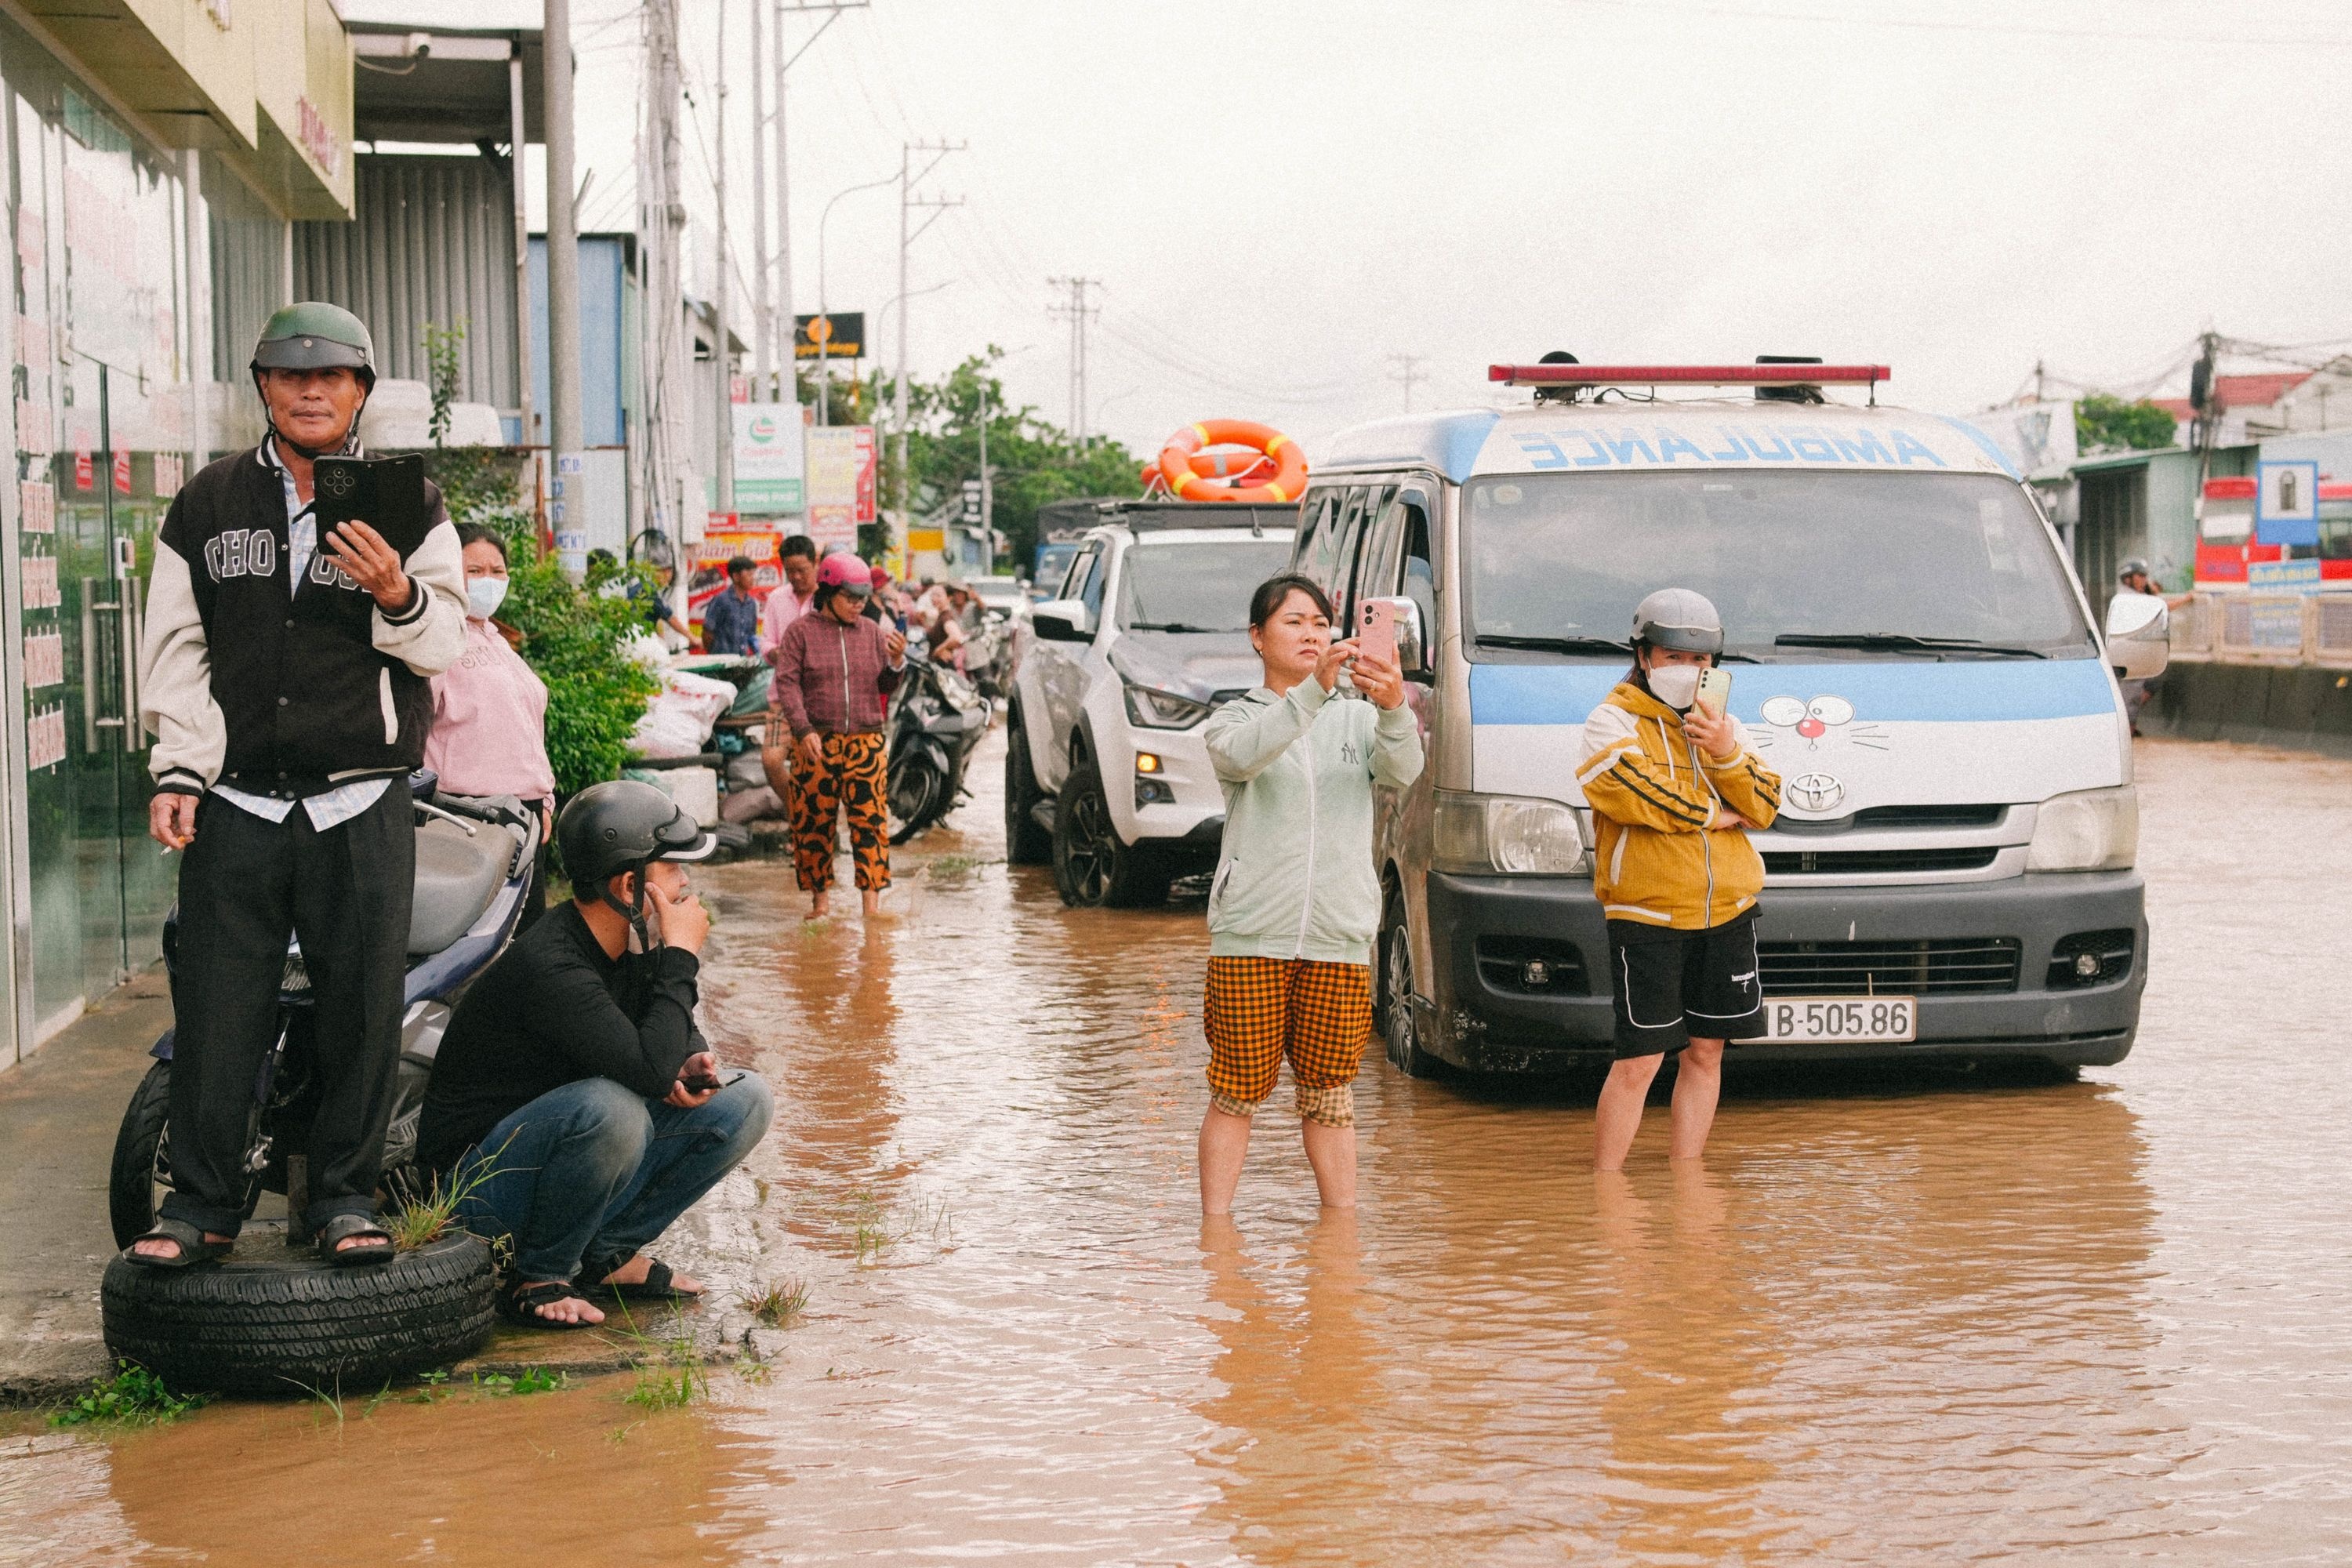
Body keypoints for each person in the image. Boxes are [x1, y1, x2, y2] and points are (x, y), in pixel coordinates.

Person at [128, 302, 466, 1268]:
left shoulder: (409, 500)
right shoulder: (207, 502)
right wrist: (180, 767)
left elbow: (444, 638)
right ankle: (201, 1205)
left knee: (360, 1005)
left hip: (359, 794)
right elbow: (177, 648)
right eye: (289, 375)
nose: (310, 390)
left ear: (361, 389)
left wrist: (396, 591)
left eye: (331, 377)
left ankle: (346, 1196)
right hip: (237, 795)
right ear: (263, 387)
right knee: (220, 1002)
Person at [419, 782, 773, 1327]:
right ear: (629, 885)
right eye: (674, 871)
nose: (686, 888)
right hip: (473, 1196)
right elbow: (644, 1073)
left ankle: (606, 1257)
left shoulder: (630, 943)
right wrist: (681, 954)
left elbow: (662, 1047)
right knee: (613, 1109)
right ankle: (540, 1278)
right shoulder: (553, 965)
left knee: (744, 1098)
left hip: (551, 1169)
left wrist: (690, 1057)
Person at [1196, 575, 1422, 1214]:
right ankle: (1216, 1236)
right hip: (1251, 937)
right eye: (1294, 622)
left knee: (1330, 1096)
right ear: (1257, 638)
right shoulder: (1234, 716)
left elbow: (1404, 774)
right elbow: (1244, 758)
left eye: (1321, 623)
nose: (1312, 634)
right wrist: (1314, 694)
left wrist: (1395, 705)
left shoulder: (1359, 717)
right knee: (1236, 1091)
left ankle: (1340, 1238)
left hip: (1340, 937)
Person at [1579, 589, 1781, 1172]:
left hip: (1728, 913)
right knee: (1640, 1059)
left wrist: (1723, 754)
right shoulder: (1609, 721)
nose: (1689, 672)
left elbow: (1767, 803)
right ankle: (1605, 1188)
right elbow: (1630, 791)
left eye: (1701, 661)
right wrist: (1712, 815)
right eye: (1674, 658)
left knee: (1708, 1052)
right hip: (1648, 917)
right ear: (1643, 657)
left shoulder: (1727, 728)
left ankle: (1687, 1178)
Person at [423, 523, 558, 927]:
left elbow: (527, 729)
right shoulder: (437, 637)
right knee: (473, 943)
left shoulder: (498, 641)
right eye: (474, 571)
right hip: (467, 816)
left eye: (497, 571)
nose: (488, 581)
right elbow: (412, 728)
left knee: (521, 937)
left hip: (525, 814)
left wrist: (544, 799)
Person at [765, 554, 907, 920]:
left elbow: (886, 687)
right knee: (813, 823)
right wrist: (803, 729)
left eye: (863, 598)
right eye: (851, 597)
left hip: (866, 742)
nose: (859, 605)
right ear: (828, 592)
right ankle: (820, 903)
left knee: (871, 823)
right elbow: (787, 684)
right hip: (816, 742)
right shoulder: (801, 633)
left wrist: (896, 663)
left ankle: (871, 909)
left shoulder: (873, 633)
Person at [757, 535, 821, 652]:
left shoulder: (828, 598)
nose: (796, 576)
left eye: (802, 570)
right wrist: (775, 653)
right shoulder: (776, 598)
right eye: (789, 571)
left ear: (815, 563)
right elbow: (767, 641)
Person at [701, 554, 764, 657]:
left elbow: (751, 635)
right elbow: (707, 633)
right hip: (721, 662)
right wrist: (714, 655)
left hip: (742, 662)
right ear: (736, 577)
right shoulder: (721, 600)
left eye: (753, 575)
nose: (752, 579)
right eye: (749, 575)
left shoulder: (751, 603)